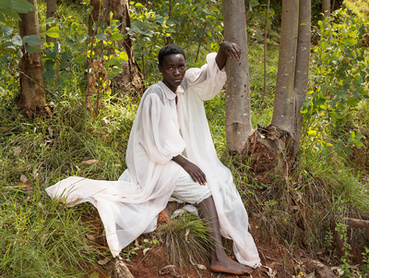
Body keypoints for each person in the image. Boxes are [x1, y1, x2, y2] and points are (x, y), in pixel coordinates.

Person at [46, 41, 261, 275]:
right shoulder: (154, 96)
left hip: (170, 158)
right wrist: (187, 164)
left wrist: (222, 51)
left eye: (180, 66)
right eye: (170, 68)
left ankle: (168, 204)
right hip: (154, 162)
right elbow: (155, 143)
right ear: (161, 68)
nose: (177, 72)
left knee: (219, 176)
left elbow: (208, 79)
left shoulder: (184, 85)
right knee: (204, 187)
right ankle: (217, 256)